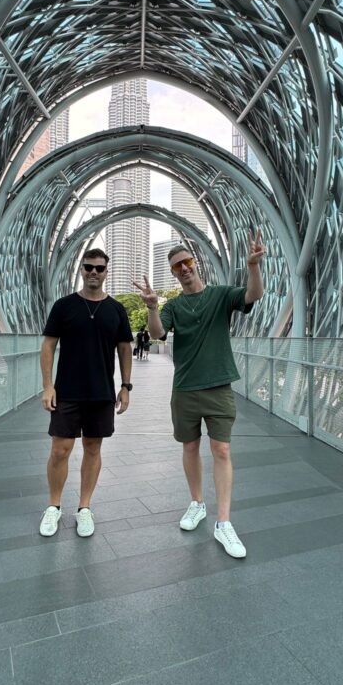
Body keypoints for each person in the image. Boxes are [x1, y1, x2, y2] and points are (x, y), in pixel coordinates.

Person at [134, 232, 265, 558]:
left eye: (187, 262)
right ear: (173, 273)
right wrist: (152, 307)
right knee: (190, 446)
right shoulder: (174, 306)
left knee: (221, 449)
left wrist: (253, 266)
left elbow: (253, 294)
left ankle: (224, 522)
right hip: (185, 388)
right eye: (176, 266)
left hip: (218, 386)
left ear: (196, 263)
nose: (183, 268)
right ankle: (197, 503)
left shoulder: (221, 295)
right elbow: (157, 333)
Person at [39, 248, 133, 538]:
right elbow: (48, 346)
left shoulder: (116, 309)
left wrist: (126, 386)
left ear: (106, 272)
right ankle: (54, 506)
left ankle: (84, 508)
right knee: (60, 449)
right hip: (67, 391)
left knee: (93, 448)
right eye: (89, 267)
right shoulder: (64, 306)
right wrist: (48, 386)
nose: (94, 272)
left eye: (99, 268)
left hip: (102, 392)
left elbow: (125, 348)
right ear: (81, 269)